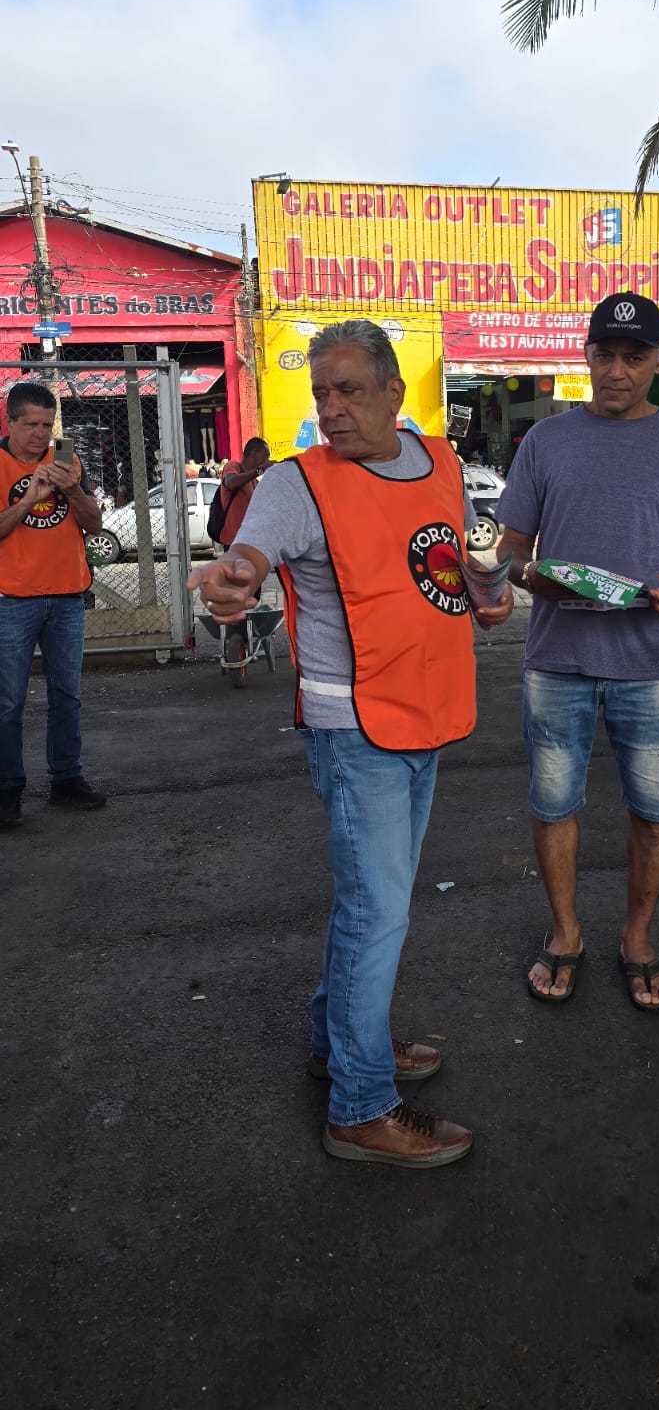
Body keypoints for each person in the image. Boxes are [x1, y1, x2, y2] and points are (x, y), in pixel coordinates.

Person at [188, 319, 513, 1167]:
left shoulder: (440, 462)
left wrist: (487, 591)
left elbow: (450, 564)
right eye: (321, 393)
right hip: (356, 726)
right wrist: (234, 580)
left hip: (429, 709)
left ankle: (340, 1045)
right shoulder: (297, 484)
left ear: (394, 394)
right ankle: (361, 1107)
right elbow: (248, 557)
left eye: (349, 391)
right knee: (378, 910)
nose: (331, 409)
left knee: (372, 904)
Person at [496, 292, 659, 1007]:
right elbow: (512, 545)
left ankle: (637, 938)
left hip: (649, 660)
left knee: (656, 811)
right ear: (587, 355)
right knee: (553, 803)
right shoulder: (546, 440)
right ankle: (566, 934)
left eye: (634, 357)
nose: (617, 370)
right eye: (605, 354)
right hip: (557, 657)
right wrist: (522, 575)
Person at [0, 383, 107, 830]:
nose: (41, 435)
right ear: (10, 422)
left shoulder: (66, 458)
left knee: (67, 695)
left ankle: (67, 779)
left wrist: (73, 490)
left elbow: (94, 524)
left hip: (66, 597)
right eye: (31, 425)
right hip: (12, 599)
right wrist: (28, 500)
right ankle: (7, 790)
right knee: (8, 701)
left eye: (47, 425)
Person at [217, 438, 273, 549]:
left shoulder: (253, 480)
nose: (267, 460)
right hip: (234, 542)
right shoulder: (233, 466)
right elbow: (230, 483)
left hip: (248, 541)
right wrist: (260, 469)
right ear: (254, 453)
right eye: (265, 456)